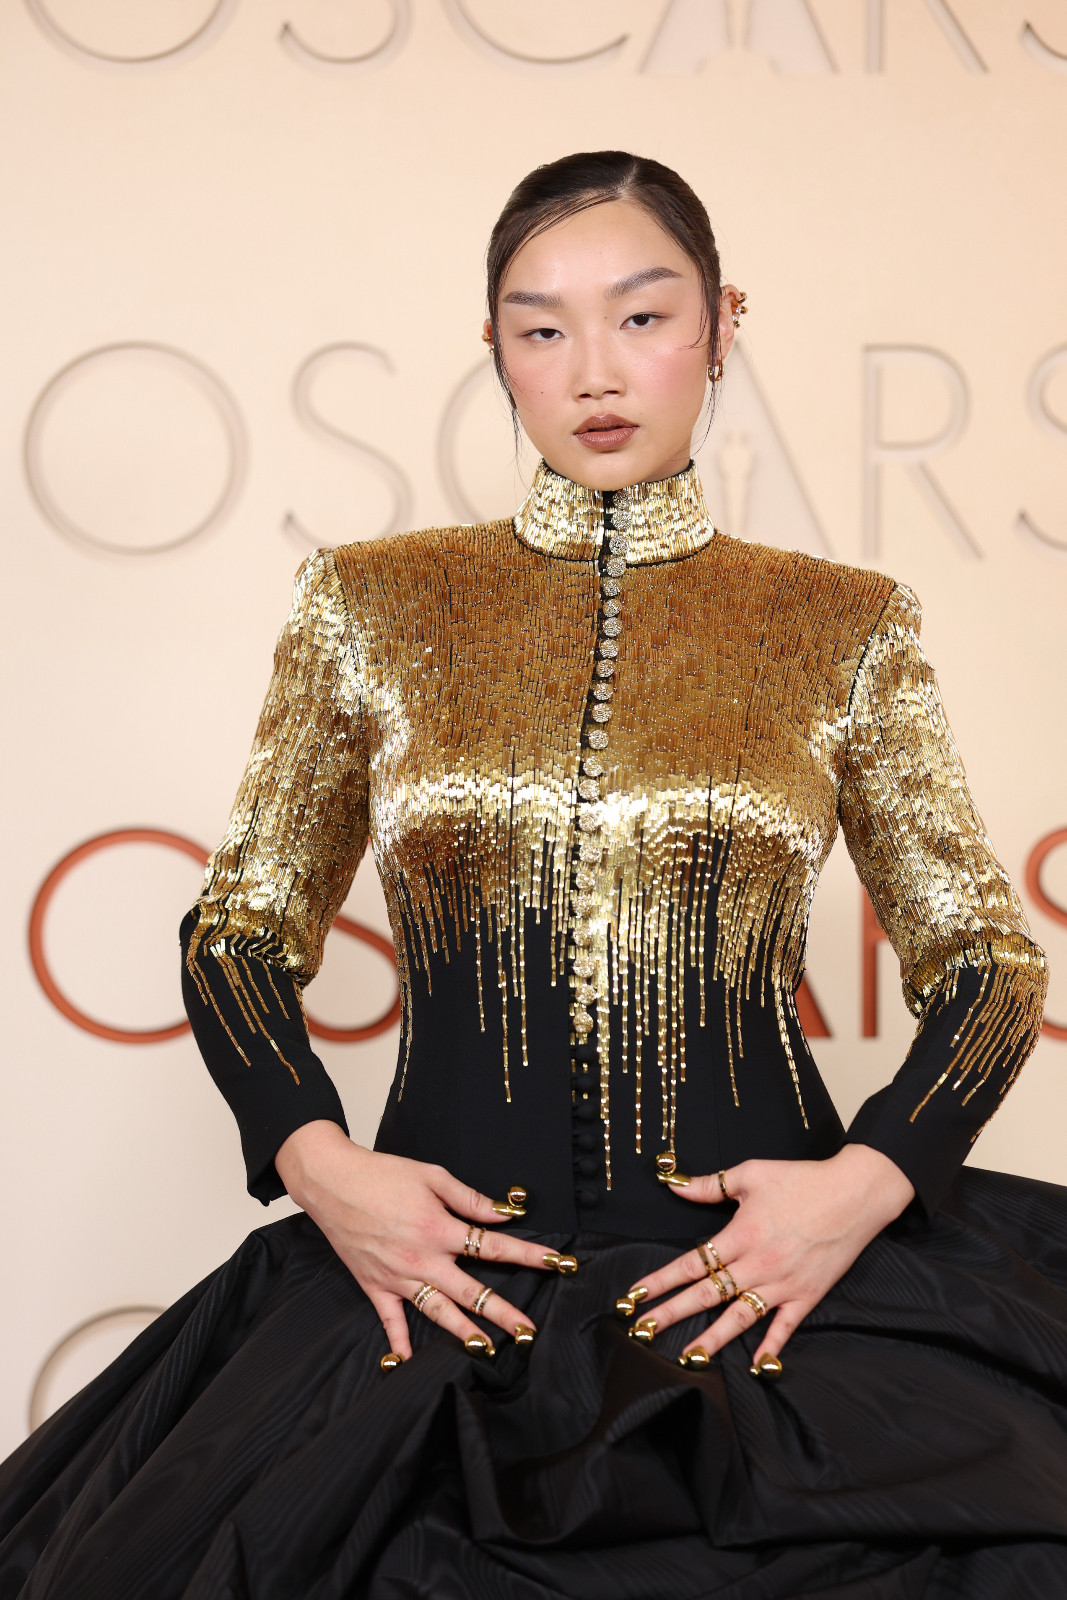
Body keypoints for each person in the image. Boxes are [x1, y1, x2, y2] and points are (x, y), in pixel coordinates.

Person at [2, 149, 1064, 1599]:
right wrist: (321, 1165)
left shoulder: (843, 626)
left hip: (761, 1297)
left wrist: (867, 1184)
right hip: (431, 1291)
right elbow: (241, 931)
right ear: (491, 349)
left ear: (723, 323)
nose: (593, 371)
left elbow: (989, 966)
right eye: (540, 327)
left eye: (644, 316)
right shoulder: (367, 606)